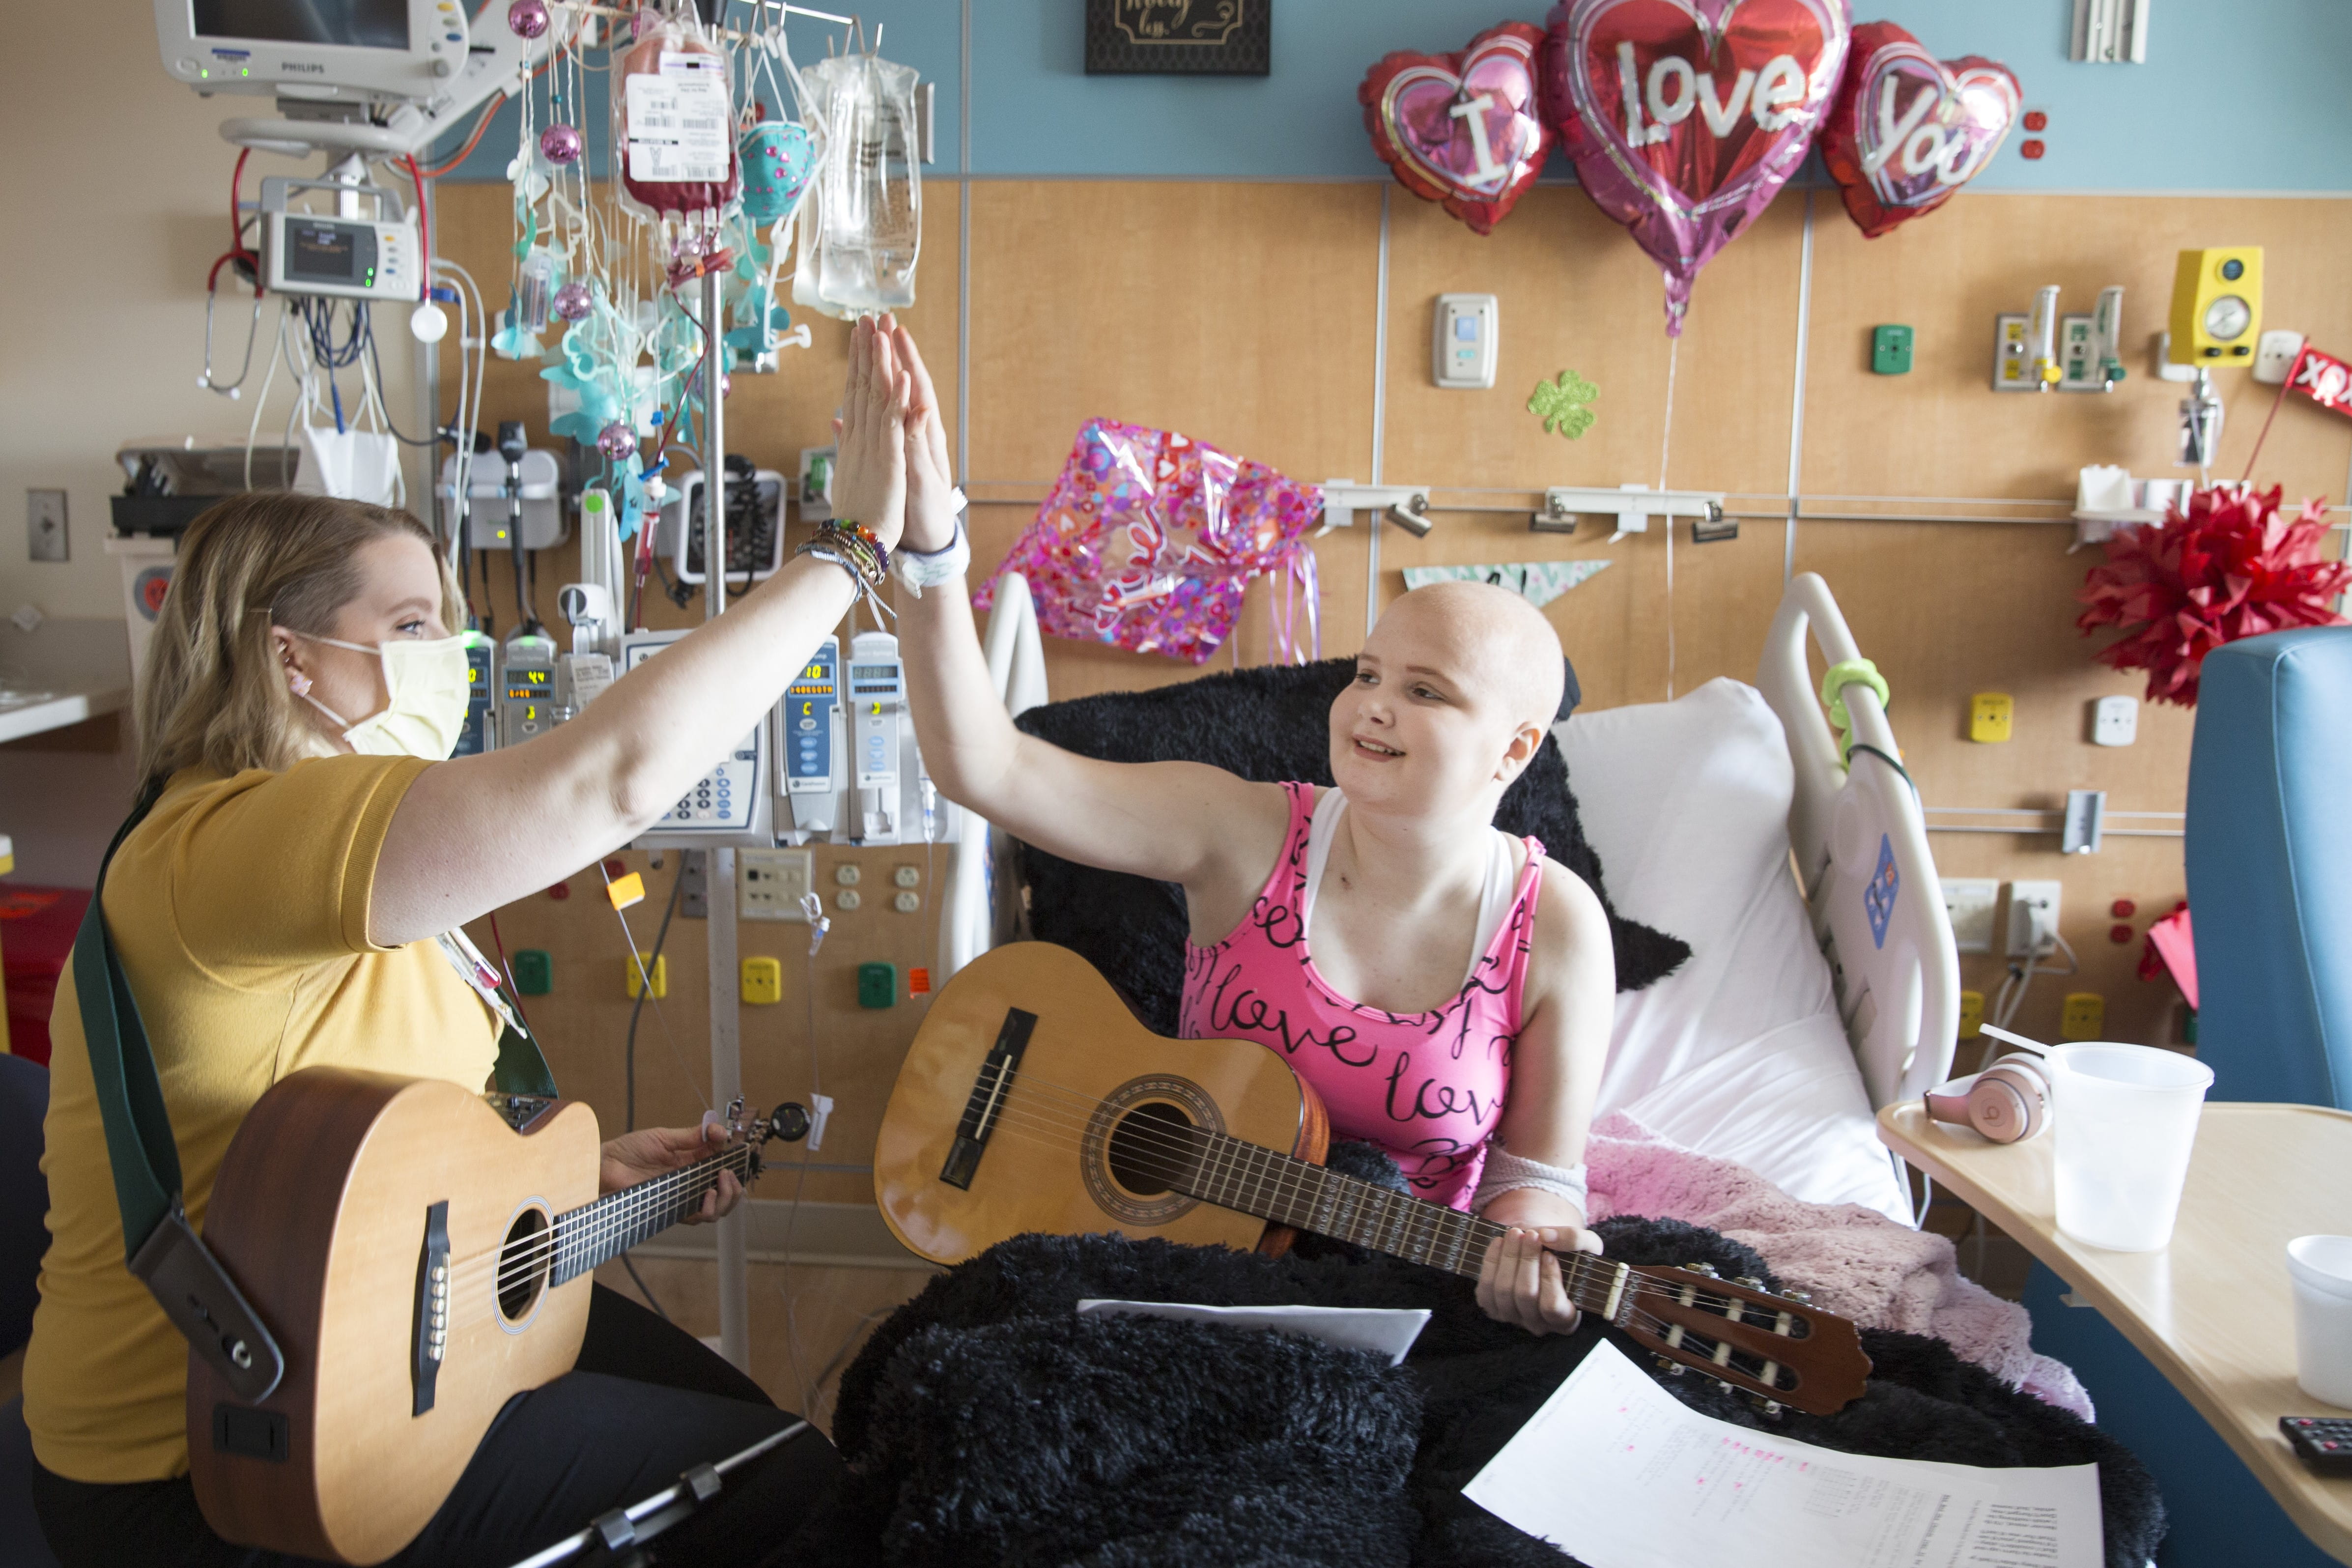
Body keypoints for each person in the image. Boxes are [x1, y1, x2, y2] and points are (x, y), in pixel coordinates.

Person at [24, 321, 918, 1568]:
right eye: (409, 628)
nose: (455, 657)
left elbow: (358, 1136)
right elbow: (608, 781)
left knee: (757, 1434)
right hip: (205, 1459)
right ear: (290, 658)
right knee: (796, 1495)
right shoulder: (233, 841)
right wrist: (851, 552)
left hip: (358, 1336)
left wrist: (578, 1175)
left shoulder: (347, 853)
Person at [853, 319, 1617, 1338]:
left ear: (1516, 751)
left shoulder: (1556, 926)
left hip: (1394, 1304)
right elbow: (983, 765)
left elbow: (1535, 1183)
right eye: (1368, 675)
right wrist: (929, 546)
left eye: (1425, 691)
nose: (1372, 707)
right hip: (1185, 1275)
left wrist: (1532, 1250)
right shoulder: (1245, 831)